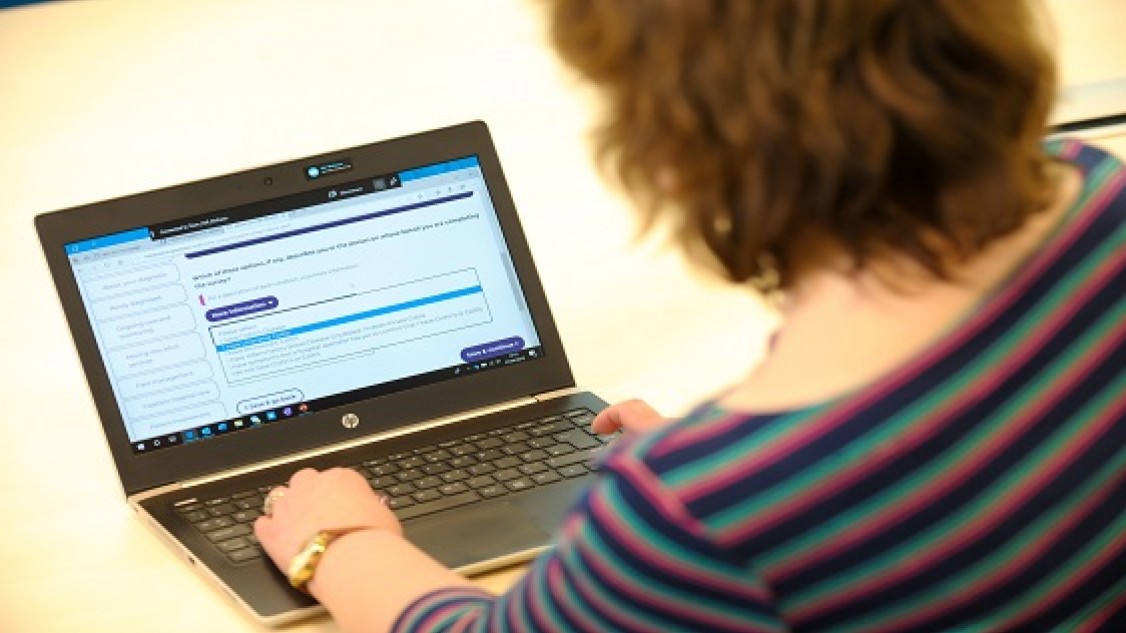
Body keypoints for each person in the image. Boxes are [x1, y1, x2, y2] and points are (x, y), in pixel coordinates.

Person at [254, 1, 1126, 631]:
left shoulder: (702, 513)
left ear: (677, 140)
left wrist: (338, 544)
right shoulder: (1099, 193)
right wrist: (730, 475)